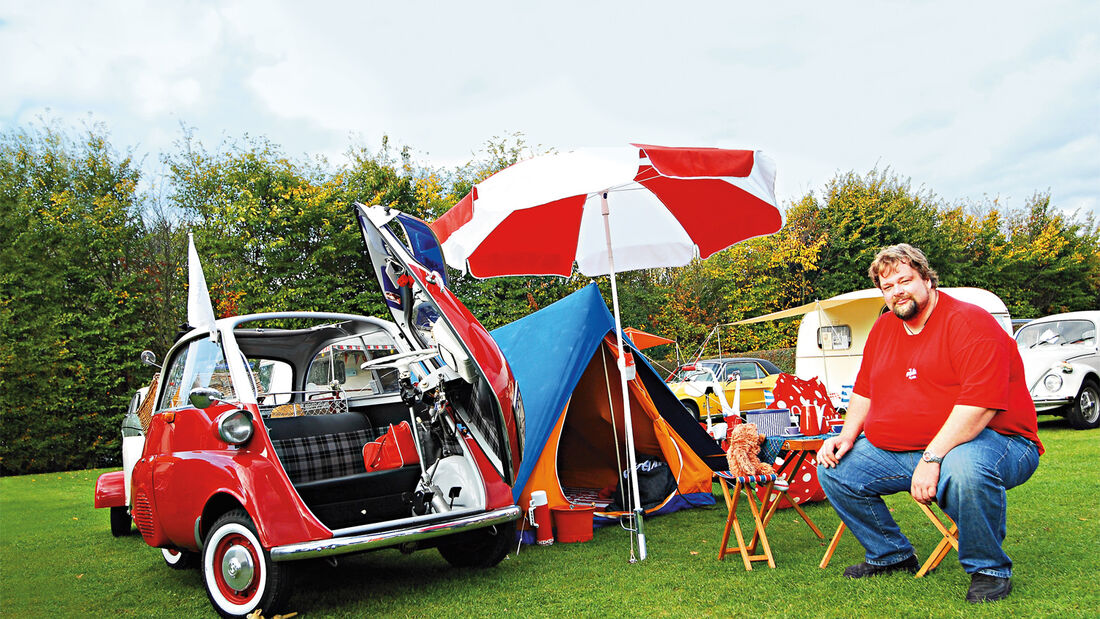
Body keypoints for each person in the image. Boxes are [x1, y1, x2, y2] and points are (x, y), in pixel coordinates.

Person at [817, 244, 1042, 604]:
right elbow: (865, 391)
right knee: (834, 468)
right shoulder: (883, 328)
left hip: (1000, 442)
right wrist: (845, 436)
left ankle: (989, 570)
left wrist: (932, 458)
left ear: (927, 278)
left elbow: (979, 407)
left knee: (965, 468)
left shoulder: (969, 321)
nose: (897, 292)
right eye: (887, 287)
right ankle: (891, 555)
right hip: (908, 451)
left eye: (905, 280)